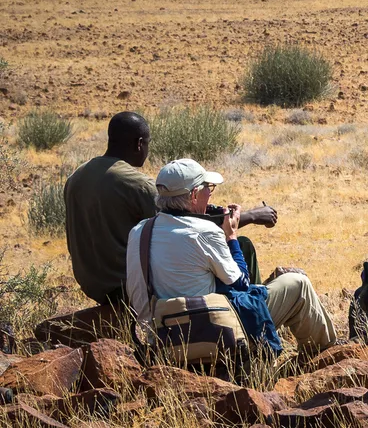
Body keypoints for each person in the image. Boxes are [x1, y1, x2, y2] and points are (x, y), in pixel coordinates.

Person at [66, 112, 279, 306]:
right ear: (139, 144)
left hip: (93, 284)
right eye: (148, 143)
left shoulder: (77, 176)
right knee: (242, 246)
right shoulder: (137, 185)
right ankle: (255, 314)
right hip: (131, 285)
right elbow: (183, 226)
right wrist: (250, 216)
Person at [125, 159, 337, 352]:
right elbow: (242, 283)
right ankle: (322, 356)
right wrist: (231, 236)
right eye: (208, 188)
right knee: (298, 284)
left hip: (163, 340)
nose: (210, 194)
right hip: (214, 337)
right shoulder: (205, 232)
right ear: (194, 195)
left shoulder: (139, 232)